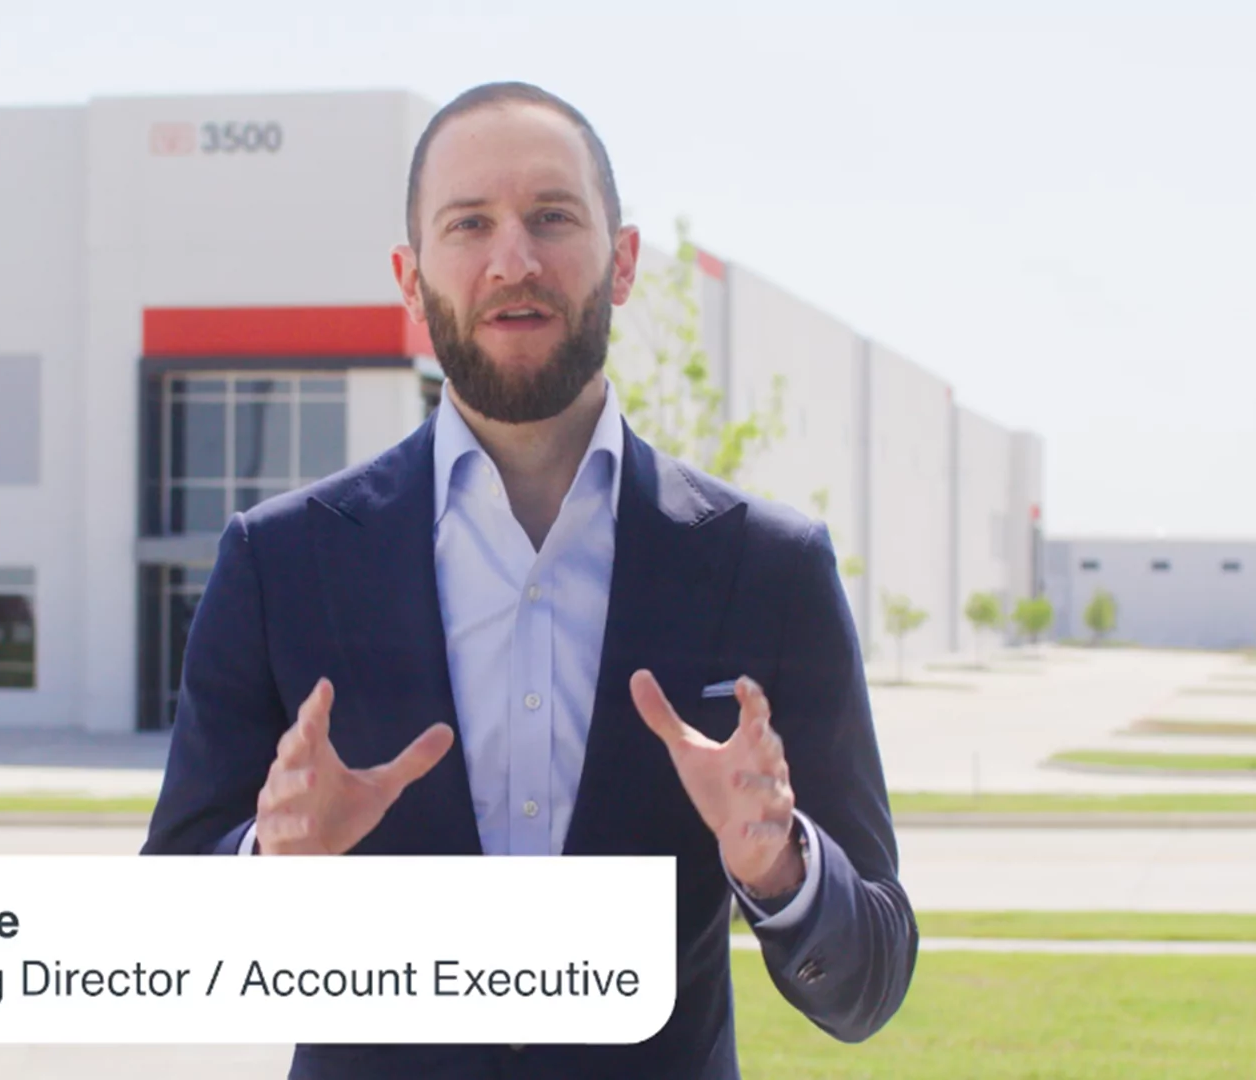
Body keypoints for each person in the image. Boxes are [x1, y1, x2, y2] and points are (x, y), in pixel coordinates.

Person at [143, 80, 916, 1079]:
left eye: (553, 217)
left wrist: (781, 866)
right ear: (412, 282)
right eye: (469, 225)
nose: (515, 259)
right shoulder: (279, 563)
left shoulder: (769, 568)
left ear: (623, 260)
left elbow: (872, 980)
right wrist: (271, 866)